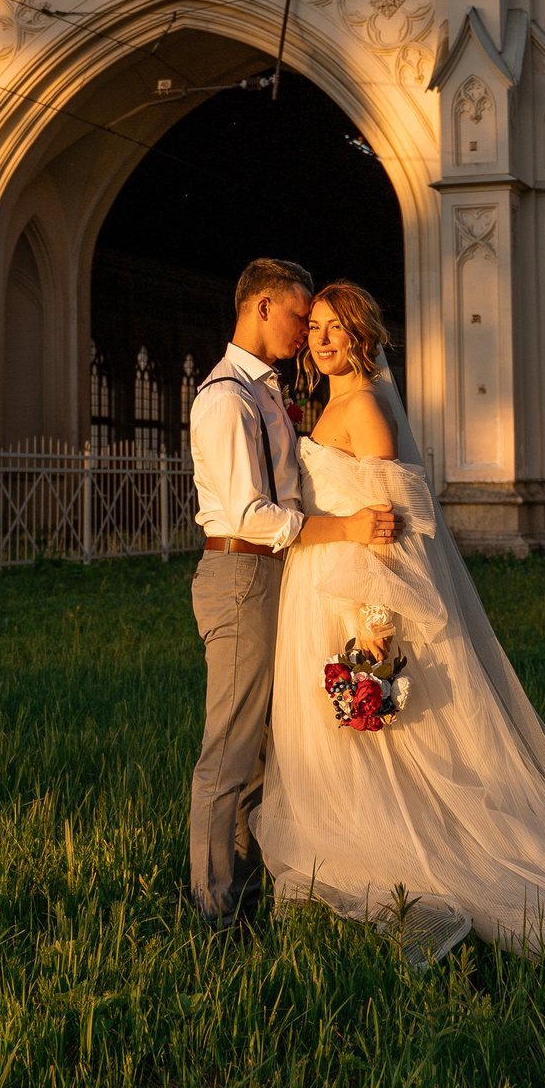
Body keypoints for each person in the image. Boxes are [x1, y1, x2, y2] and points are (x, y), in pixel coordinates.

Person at [255, 280, 545, 968]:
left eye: (334, 327)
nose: (320, 338)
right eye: (314, 326)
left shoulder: (368, 407)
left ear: (361, 335)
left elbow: (393, 528)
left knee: (395, 751)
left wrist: (374, 630)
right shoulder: (337, 401)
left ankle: (429, 875)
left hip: (353, 595)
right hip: (322, 583)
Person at [186, 259, 396, 927]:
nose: (307, 331)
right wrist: (345, 526)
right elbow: (251, 514)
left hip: (277, 575)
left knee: (265, 750)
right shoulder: (225, 397)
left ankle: (249, 885)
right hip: (242, 572)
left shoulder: (269, 391)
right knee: (229, 749)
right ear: (263, 305)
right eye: (301, 316)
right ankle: (214, 906)